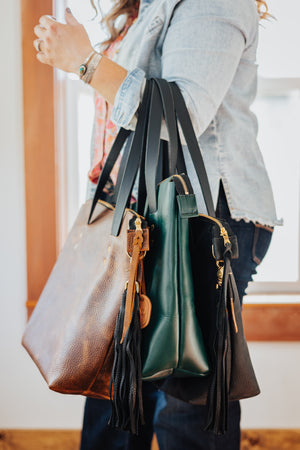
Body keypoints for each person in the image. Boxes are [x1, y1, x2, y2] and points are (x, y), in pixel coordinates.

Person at [33, 1, 282, 448]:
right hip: (145, 219)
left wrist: (86, 63)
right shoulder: (150, 6)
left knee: (184, 408)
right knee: (117, 392)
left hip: (201, 221)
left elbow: (179, 114)